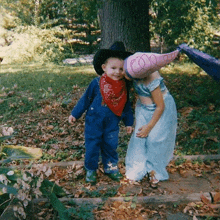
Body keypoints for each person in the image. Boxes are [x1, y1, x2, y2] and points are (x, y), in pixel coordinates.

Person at [68, 42, 134, 185]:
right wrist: (75, 113)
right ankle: (91, 169)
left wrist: (129, 122)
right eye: (113, 68)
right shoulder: (97, 83)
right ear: (104, 68)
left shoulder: (124, 87)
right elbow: (85, 99)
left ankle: (110, 168)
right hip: (94, 121)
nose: (117, 72)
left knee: (110, 145)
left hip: (112, 123)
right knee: (92, 146)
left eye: (121, 69)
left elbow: (126, 106)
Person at [123, 50, 179, 187]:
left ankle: (154, 170)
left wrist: (149, 126)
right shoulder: (133, 66)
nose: (122, 75)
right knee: (139, 137)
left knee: (155, 139)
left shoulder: (152, 78)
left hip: (161, 110)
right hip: (144, 108)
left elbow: (160, 106)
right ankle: (137, 168)